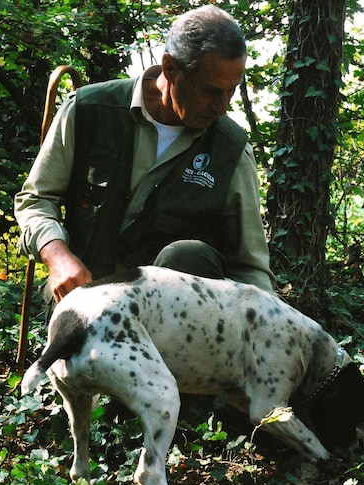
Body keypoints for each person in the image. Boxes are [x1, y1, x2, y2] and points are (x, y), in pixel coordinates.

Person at [14, 5, 275, 308]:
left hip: (177, 325)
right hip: (85, 304)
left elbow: (251, 268)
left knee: (187, 255)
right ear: (170, 69)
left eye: (232, 91)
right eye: (212, 91)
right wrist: (57, 256)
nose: (223, 106)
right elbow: (36, 199)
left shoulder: (230, 150)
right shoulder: (89, 110)